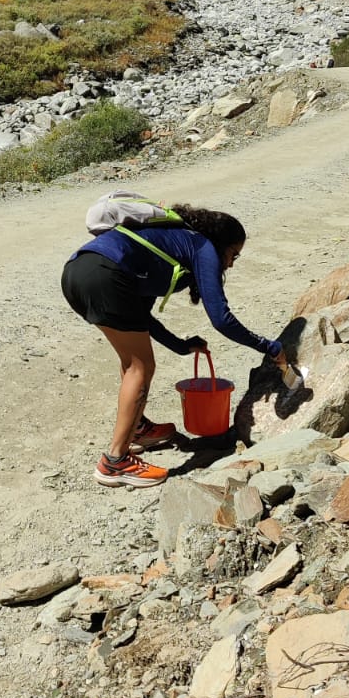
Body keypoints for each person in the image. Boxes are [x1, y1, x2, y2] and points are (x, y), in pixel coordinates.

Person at [61, 202, 286, 488]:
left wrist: (181, 346)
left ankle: (138, 429)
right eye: (233, 255)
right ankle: (115, 463)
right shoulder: (203, 246)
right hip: (105, 275)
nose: (230, 264)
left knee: (132, 362)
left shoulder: (166, 245)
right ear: (221, 245)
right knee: (140, 368)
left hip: (77, 272)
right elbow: (221, 319)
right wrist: (269, 347)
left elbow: (142, 317)